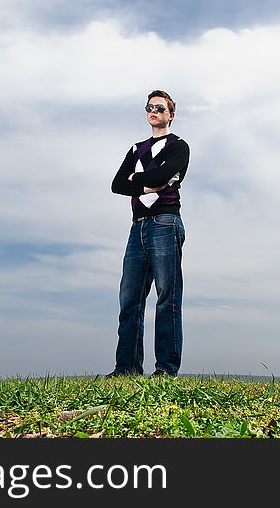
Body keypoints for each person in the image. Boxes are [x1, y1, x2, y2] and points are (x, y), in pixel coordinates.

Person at [105, 89, 190, 378]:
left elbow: (159, 178)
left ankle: (165, 369)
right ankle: (126, 368)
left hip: (165, 223)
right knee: (129, 298)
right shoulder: (135, 149)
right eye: (150, 107)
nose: (154, 111)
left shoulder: (179, 146)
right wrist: (149, 184)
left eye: (160, 108)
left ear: (171, 115)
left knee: (167, 296)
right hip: (137, 226)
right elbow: (117, 184)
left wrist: (139, 179)